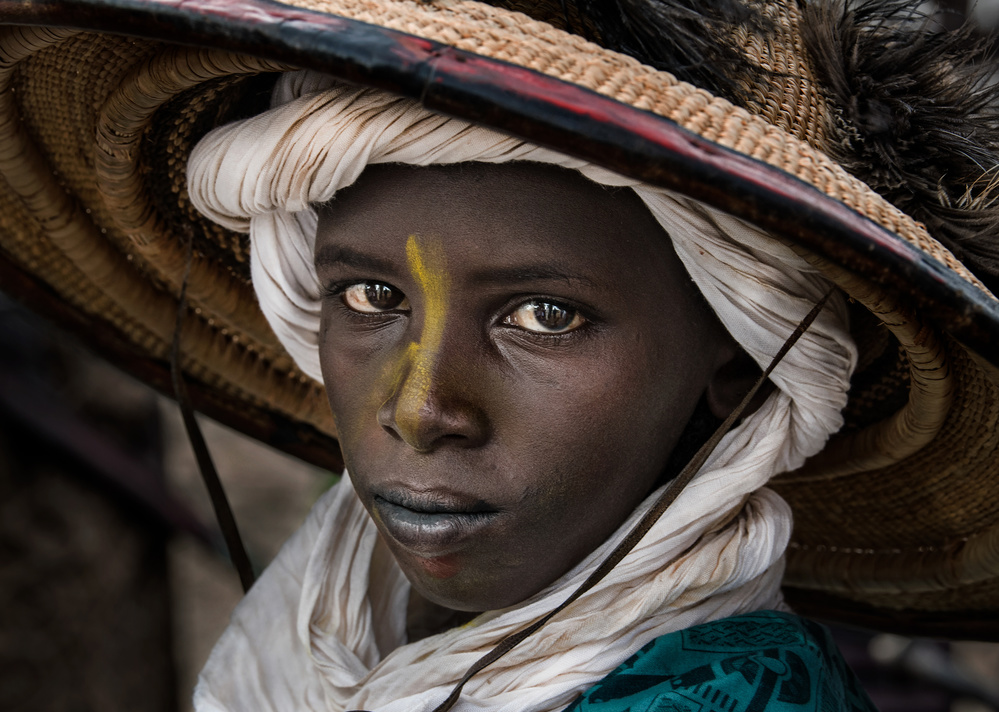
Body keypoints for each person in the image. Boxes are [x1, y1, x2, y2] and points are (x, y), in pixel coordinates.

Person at [0, 0, 997, 710]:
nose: (423, 407)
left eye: (545, 317)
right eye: (371, 296)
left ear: (740, 357)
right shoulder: (324, 631)